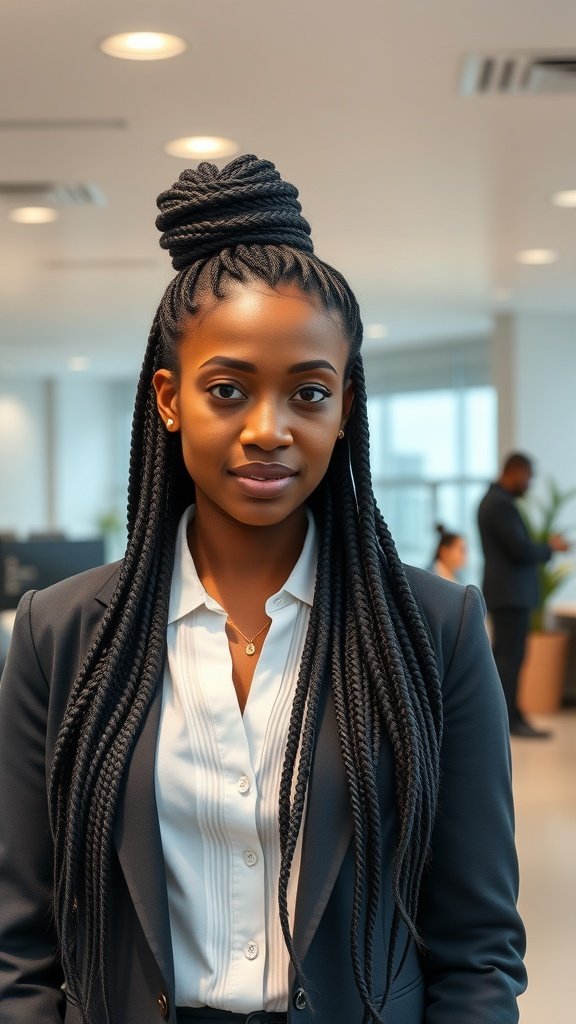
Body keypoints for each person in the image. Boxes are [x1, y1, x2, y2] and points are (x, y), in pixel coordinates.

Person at [0, 156, 526, 1024]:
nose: (268, 429)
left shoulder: (436, 630)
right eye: (227, 390)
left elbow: (477, 947)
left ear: (345, 406)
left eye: (308, 392)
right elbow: (20, 945)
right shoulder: (61, 634)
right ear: (170, 398)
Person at [477, 451, 570, 739]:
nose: (529, 484)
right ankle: (508, 721)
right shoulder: (499, 504)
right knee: (509, 660)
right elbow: (520, 550)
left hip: (508, 595)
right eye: (528, 477)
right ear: (515, 472)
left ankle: (512, 716)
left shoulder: (497, 502)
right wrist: (550, 548)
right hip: (509, 595)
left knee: (509, 659)